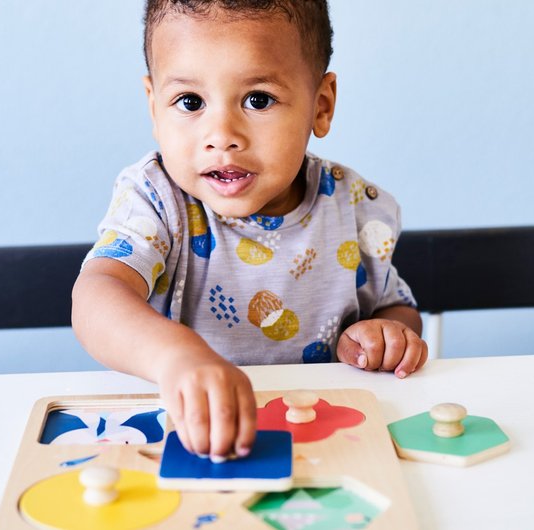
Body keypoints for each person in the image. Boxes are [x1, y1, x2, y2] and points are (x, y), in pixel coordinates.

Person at [72, 0, 428, 464]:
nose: (222, 134)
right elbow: (97, 295)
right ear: (155, 108)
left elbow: (396, 308)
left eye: (257, 99)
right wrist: (178, 360)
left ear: (320, 107)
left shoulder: (354, 206)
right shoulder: (158, 201)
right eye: (190, 102)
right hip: (189, 437)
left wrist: (384, 335)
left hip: (325, 444)